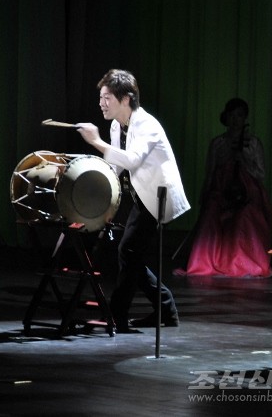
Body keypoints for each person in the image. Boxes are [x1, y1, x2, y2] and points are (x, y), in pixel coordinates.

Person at [76, 69, 190, 332]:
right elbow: (116, 165)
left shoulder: (146, 124)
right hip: (142, 196)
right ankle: (165, 308)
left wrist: (96, 142)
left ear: (126, 98)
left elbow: (133, 160)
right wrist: (103, 196)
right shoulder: (118, 125)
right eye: (101, 97)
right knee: (129, 254)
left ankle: (119, 314)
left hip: (158, 196)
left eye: (107, 97)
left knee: (128, 251)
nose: (101, 103)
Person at [175, 98, 272, 277]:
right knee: (211, 212)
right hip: (221, 186)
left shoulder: (253, 143)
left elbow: (261, 174)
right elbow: (211, 171)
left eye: (240, 115)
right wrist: (205, 192)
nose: (235, 120)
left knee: (245, 215)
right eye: (232, 115)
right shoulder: (218, 143)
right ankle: (208, 262)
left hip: (247, 189)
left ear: (245, 118)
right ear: (226, 117)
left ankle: (243, 263)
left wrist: (244, 160)